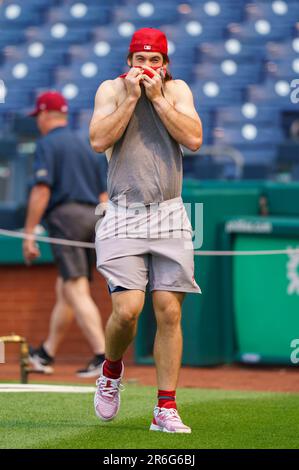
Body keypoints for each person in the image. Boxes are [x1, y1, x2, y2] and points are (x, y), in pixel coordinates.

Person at [89, 28, 202, 432]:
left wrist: (156, 100)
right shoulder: (112, 90)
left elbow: (194, 138)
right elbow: (98, 139)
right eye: (140, 60)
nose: (148, 68)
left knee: (169, 311)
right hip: (122, 211)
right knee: (128, 311)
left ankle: (165, 408)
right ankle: (112, 370)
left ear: (165, 64)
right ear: (130, 62)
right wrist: (135, 98)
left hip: (170, 211)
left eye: (155, 61)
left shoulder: (177, 90)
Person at [23, 91, 107, 378]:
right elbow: (104, 194)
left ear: (46, 114)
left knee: (74, 287)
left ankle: (103, 356)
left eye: (39, 116)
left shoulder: (47, 144)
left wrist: (29, 233)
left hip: (67, 217)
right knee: (66, 288)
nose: (38, 122)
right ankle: (46, 353)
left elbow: (42, 189)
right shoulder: (84, 145)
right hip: (94, 217)